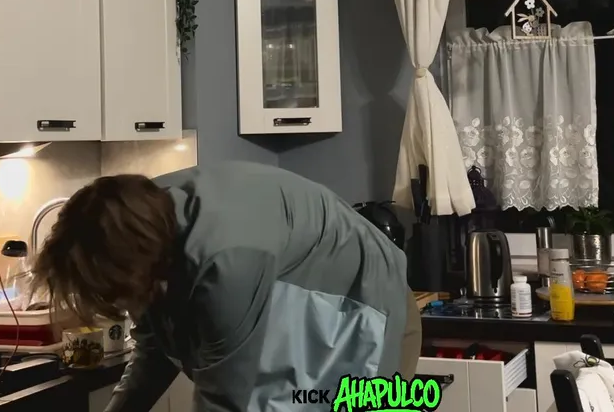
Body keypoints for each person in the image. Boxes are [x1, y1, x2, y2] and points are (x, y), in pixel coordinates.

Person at [33, 162, 421, 412]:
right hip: (290, 332)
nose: (116, 303)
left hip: (362, 315)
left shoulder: (225, 257)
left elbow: (225, 402)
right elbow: (154, 344)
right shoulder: (138, 223)